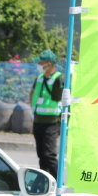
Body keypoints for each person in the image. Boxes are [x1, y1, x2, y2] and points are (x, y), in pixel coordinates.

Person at [29, 49, 64, 179]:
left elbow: (58, 96)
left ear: (48, 64)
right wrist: (32, 113)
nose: (38, 65)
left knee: (49, 155)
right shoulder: (39, 78)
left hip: (51, 123)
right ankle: (44, 181)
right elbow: (33, 93)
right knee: (41, 155)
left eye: (40, 62)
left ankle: (58, 181)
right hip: (38, 121)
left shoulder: (58, 78)